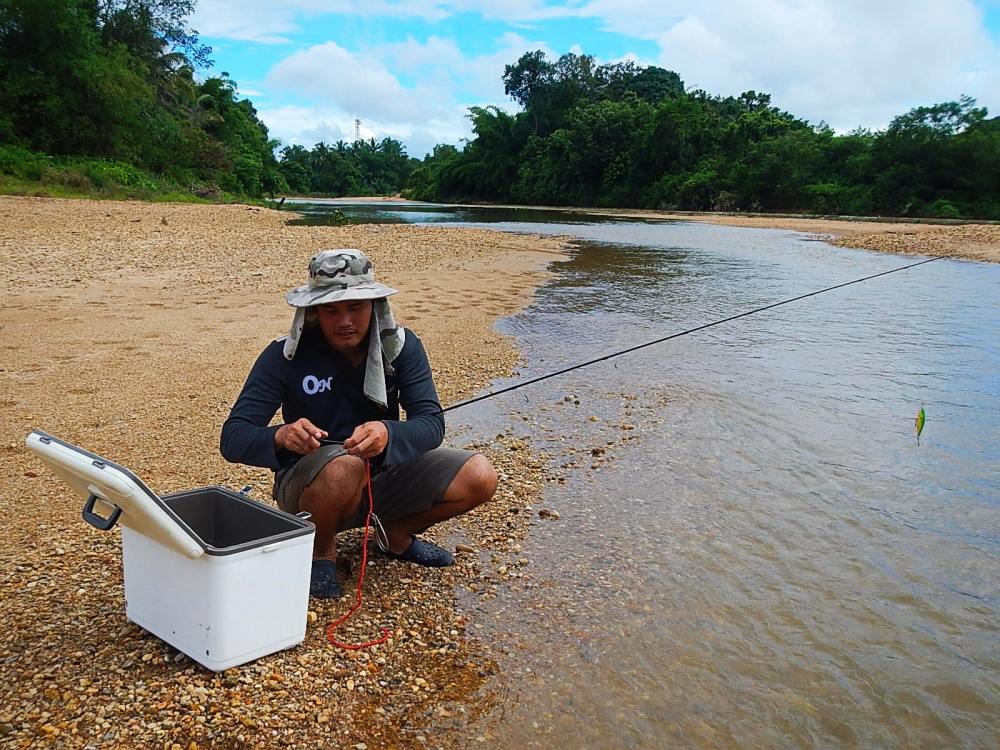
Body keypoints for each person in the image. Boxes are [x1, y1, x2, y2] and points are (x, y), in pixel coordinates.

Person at [220, 249, 498, 598]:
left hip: (384, 473)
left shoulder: (402, 347)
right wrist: (281, 436)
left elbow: (431, 424)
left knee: (480, 476)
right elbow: (232, 438)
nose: (344, 321)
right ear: (313, 311)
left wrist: (388, 432)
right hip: (310, 488)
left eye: (355, 307)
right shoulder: (283, 355)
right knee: (344, 469)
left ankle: (394, 536)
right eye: (331, 309)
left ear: (374, 306)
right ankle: (321, 552)